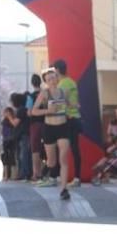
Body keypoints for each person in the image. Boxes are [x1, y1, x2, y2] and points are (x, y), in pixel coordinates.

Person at [34, 68, 72, 199]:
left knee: (63, 159)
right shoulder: (44, 94)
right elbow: (33, 111)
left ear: (57, 78)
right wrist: (48, 111)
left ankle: (64, 189)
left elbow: (70, 105)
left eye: (53, 77)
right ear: (45, 82)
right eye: (48, 79)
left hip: (63, 127)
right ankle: (46, 170)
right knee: (52, 161)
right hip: (49, 127)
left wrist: (73, 107)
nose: (52, 80)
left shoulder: (64, 92)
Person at [52, 59, 82, 186]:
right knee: (74, 148)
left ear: (57, 70)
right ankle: (76, 177)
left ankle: (59, 176)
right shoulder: (72, 82)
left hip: (67, 119)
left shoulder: (61, 85)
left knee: (61, 148)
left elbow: (59, 104)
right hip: (75, 118)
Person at [27, 74, 45, 181]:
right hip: (47, 123)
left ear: (32, 83)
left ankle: (36, 173)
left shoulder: (31, 96)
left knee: (35, 150)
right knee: (49, 147)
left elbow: (29, 112)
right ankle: (50, 172)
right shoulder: (46, 94)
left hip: (35, 124)